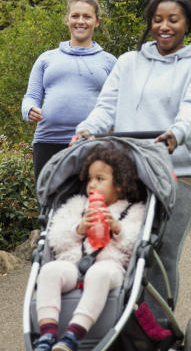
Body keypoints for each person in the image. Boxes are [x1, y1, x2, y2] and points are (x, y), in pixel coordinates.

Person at [74, 0, 191, 316]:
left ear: (187, 24)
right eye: (157, 19)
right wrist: (87, 128)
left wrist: (175, 133)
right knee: (118, 246)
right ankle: (117, 320)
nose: (164, 26)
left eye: (173, 20)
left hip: (179, 171)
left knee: (160, 250)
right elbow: (105, 108)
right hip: (130, 170)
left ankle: (158, 329)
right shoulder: (128, 62)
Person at [32, 145, 146, 351]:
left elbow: (136, 243)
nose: (92, 185)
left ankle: (72, 336)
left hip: (111, 267)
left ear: (119, 185)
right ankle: (47, 335)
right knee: (49, 271)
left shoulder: (132, 210)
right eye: (90, 179)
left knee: (98, 273)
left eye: (100, 179)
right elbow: (56, 237)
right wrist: (79, 228)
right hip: (73, 264)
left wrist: (118, 228)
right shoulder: (78, 205)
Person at [23, 0, 117, 184]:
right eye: (75, 16)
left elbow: (119, 104)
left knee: (90, 207)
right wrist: (29, 110)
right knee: (49, 206)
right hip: (47, 142)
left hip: (93, 143)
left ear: (96, 22)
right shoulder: (46, 58)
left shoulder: (109, 62)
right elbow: (31, 96)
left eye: (87, 16)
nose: (80, 21)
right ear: (66, 20)